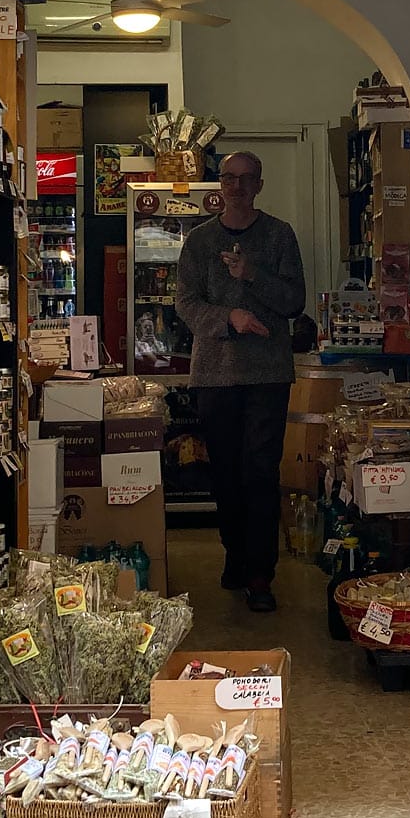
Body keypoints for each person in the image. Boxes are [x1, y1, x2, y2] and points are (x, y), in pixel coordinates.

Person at [175, 151, 306, 613]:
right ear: (219, 184)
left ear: (259, 185)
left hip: (268, 374)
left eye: (246, 178)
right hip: (214, 374)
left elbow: (293, 301)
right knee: (226, 475)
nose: (237, 186)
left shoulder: (279, 235)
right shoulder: (199, 241)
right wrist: (228, 317)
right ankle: (235, 552)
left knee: (260, 474)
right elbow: (185, 305)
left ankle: (259, 573)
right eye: (229, 178)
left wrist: (253, 274)